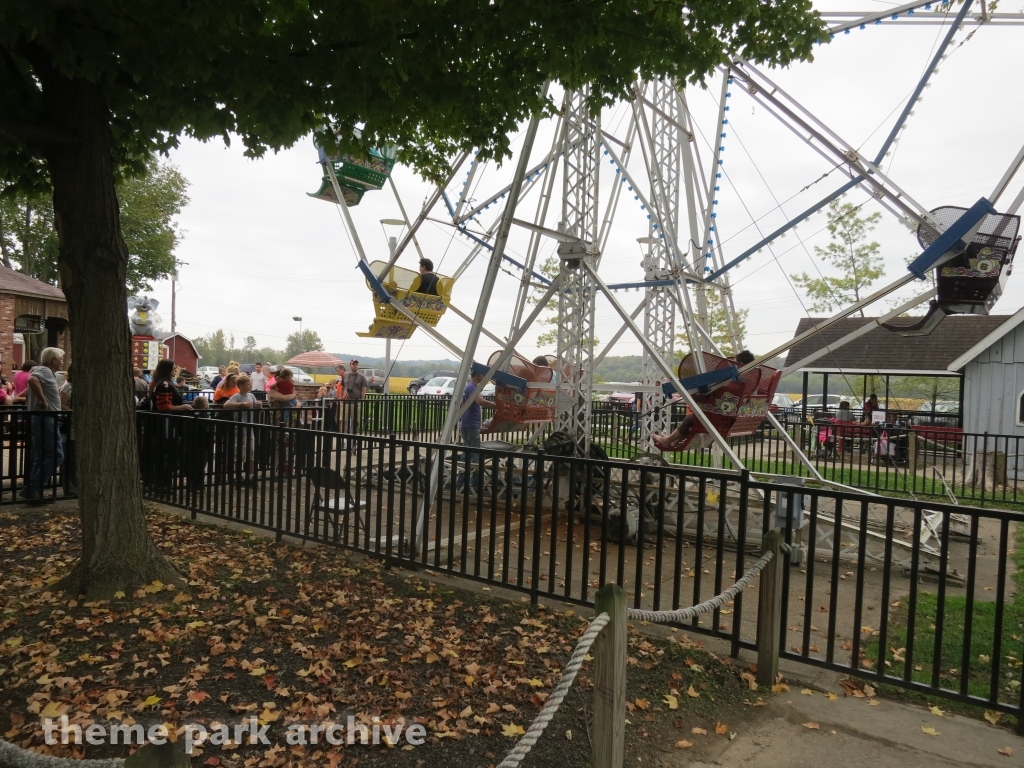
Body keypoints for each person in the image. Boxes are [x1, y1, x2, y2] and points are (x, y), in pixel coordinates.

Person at [651, 349, 756, 451]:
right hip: (738, 418)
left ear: (740, 363)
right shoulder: (753, 380)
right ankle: (672, 441)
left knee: (692, 418)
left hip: (725, 418)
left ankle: (668, 440)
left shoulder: (739, 380)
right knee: (695, 420)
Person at [22, 348, 65, 504]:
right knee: (56, 456)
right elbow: (31, 380)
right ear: (53, 359)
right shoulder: (44, 371)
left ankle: (33, 493)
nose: (62, 362)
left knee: (40, 457)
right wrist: (44, 401)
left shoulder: (46, 372)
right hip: (46, 419)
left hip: (41, 418)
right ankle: (32, 489)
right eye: (60, 359)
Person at [225, 374, 261, 481]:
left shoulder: (252, 396)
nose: (250, 385)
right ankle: (238, 475)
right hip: (239, 430)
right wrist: (241, 404)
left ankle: (250, 475)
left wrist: (259, 406)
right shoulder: (236, 396)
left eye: (250, 383)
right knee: (238, 454)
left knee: (251, 453)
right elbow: (226, 405)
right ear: (240, 386)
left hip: (250, 430)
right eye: (248, 384)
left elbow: (259, 409)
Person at [59, 365, 77, 498]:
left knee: (75, 458)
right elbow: (62, 404)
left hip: (77, 427)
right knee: (69, 458)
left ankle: (75, 486)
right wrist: (73, 412)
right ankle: (69, 488)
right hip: (70, 426)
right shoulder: (68, 386)